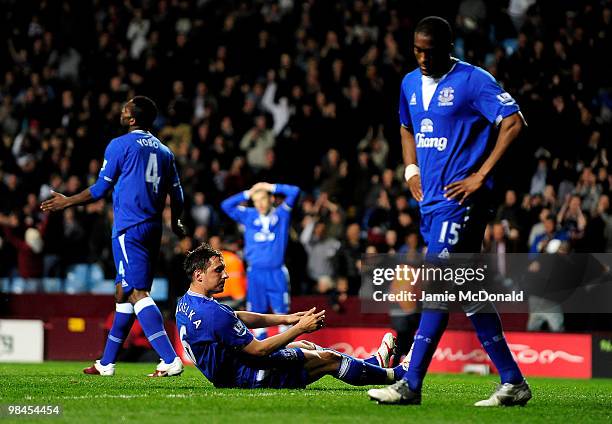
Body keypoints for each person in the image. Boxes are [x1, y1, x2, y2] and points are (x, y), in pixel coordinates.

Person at [367, 17, 532, 406]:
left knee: (438, 284)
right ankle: (513, 382)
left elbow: (513, 122)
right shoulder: (409, 82)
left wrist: (480, 175)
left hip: (463, 202)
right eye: (417, 50)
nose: (422, 58)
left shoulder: (473, 80)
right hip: (431, 205)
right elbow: (406, 127)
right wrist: (410, 170)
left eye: (430, 50)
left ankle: (411, 382)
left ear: (447, 47)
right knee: (468, 290)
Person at [41, 96, 186, 377]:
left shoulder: (120, 144)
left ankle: (170, 358)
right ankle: (106, 363)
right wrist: (177, 221)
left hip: (129, 227)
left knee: (136, 293)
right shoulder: (165, 151)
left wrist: (66, 201)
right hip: (153, 229)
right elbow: (177, 193)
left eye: (125, 109)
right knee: (123, 291)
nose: (121, 111)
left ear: (132, 119)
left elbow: (99, 190)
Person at [176, 243, 404, 389]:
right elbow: (259, 350)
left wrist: (288, 319)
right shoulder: (213, 314)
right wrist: (300, 326)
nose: (226, 274)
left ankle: (374, 365)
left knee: (306, 346)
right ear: (199, 275)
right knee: (328, 360)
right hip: (249, 376)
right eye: (218, 270)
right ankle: (394, 375)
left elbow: (235, 315)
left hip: (232, 372)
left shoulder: (186, 303)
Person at [221, 182, 299, 339]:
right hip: (255, 272)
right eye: (256, 200)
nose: (260, 204)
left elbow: (294, 191)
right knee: (256, 314)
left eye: (263, 198)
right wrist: (248, 193)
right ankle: (261, 357)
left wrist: (269, 186)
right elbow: (226, 205)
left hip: (276, 272)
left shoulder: (281, 214)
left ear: (271, 198)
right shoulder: (249, 215)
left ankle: (284, 355)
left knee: (282, 315)